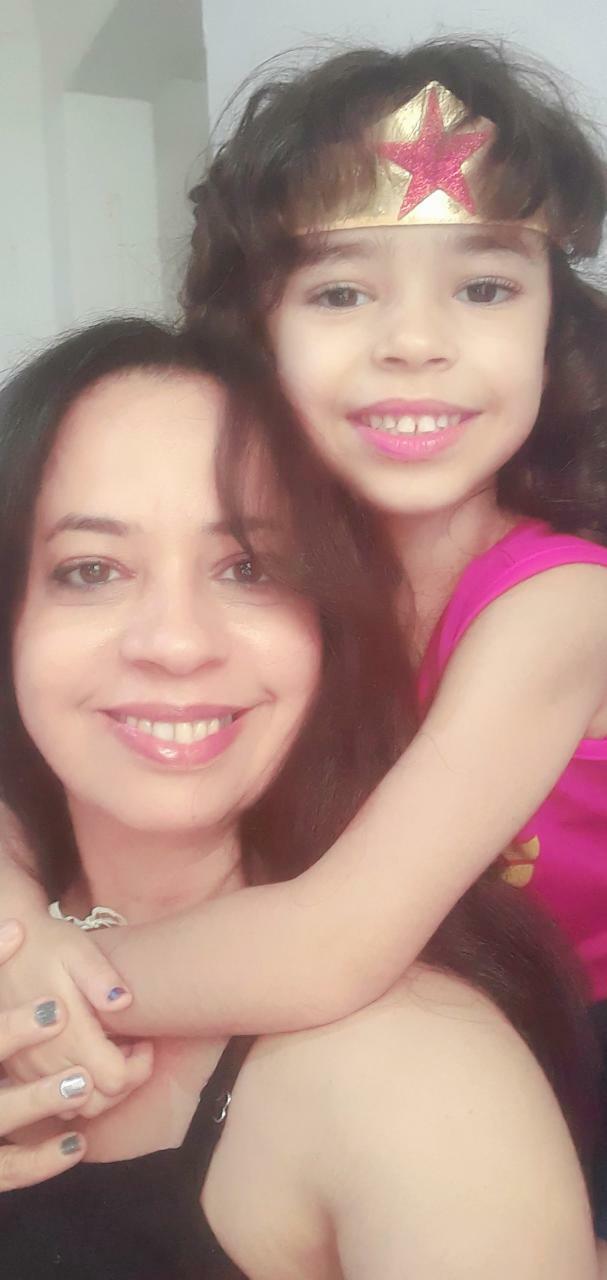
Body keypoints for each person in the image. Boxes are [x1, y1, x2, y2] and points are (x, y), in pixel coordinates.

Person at [1, 35, 607, 1236]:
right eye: (340, 291)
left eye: (484, 288)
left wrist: (47, 982)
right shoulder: (274, 574)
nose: (414, 342)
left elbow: (332, 942)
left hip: (569, 1033)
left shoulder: (562, 604)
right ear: (254, 334)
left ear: (552, 328)